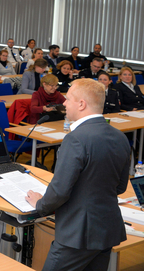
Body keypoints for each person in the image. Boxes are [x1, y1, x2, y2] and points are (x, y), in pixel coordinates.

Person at [24, 79, 130, 271]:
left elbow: (60, 191)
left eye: (68, 99)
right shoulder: (120, 137)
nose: (63, 103)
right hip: (107, 229)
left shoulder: (76, 139)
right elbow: (120, 187)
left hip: (78, 233)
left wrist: (40, 204)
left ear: (81, 104)